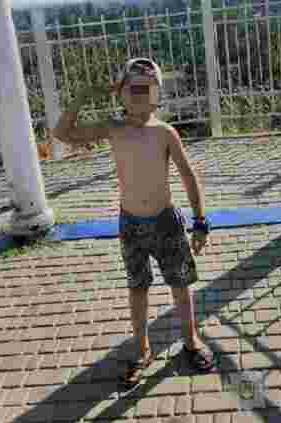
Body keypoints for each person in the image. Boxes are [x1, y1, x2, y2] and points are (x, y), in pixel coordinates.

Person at [52, 58, 216, 388]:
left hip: (166, 222)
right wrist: (83, 96)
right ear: (120, 93)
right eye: (133, 90)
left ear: (158, 95)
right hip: (130, 224)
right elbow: (62, 133)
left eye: (147, 90)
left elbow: (188, 175)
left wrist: (200, 221)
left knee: (180, 284)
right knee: (137, 287)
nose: (140, 97)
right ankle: (142, 349)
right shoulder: (114, 129)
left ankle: (190, 340)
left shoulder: (164, 133)